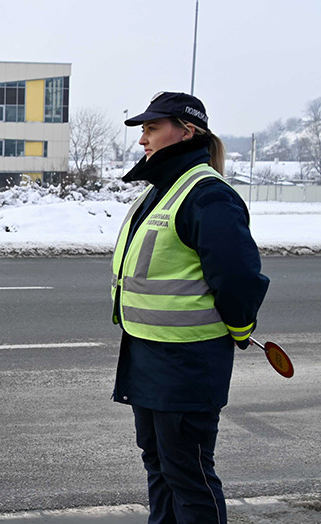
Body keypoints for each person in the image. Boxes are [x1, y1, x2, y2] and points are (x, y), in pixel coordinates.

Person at [110, 92, 269, 524]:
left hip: (187, 361)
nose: (143, 139)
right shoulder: (162, 189)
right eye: (143, 129)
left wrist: (240, 327)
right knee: (159, 467)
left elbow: (238, 278)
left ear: (186, 131)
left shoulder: (207, 195)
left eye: (152, 128)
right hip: (148, 355)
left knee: (189, 475)